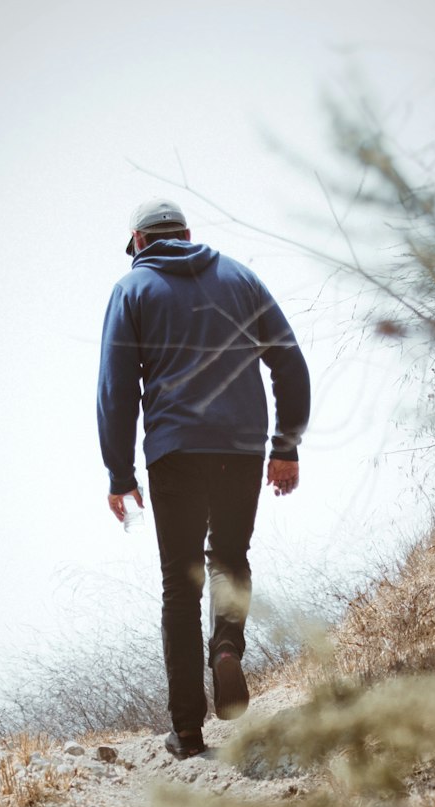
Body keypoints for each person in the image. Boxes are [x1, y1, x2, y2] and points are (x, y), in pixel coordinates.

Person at [97, 198, 310, 759]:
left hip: (174, 452)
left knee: (179, 586)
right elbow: (289, 360)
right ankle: (227, 648)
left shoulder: (132, 291)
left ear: (139, 243)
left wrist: (120, 473)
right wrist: (284, 447)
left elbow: (116, 392)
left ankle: (188, 733)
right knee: (231, 557)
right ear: (188, 234)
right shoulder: (239, 277)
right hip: (240, 449)